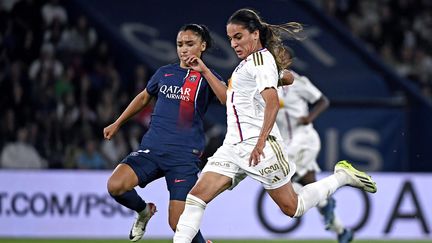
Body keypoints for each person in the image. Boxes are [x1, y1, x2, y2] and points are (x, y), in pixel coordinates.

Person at [173, 8, 377, 243]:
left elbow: (272, 103)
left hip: (262, 148)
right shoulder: (246, 65)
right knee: (196, 198)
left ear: (255, 34)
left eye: (238, 37)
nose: (233, 44)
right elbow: (227, 100)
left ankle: (342, 177)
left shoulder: (260, 60)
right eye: (230, 39)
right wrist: (205, 70)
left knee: (293, 207)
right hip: (233, 147)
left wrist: (260, 141)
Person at [103, 24, 225, 243]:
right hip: (153, 149)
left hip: (183, 157)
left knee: (178, 224)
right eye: (180, 44)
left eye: (190, 44)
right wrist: (118, 122)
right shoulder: (164, 73)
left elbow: (227, 99)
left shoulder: (207, 78)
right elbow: (143, 98)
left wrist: (204, 70)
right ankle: (143, 211)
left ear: (202, 46)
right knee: (115, 186)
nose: (184, 50)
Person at [276, 49, 353, 243]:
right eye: (276, 54)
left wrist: (309, 118)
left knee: (281, 176)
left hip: (304, 139)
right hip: (287, 142)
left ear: (290, 60)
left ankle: (330, 198)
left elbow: (322, 101)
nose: (279, 58)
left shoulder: (299, 82)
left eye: (282, 55)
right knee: (310, 186)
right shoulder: (267, 82)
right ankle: (342, 231)